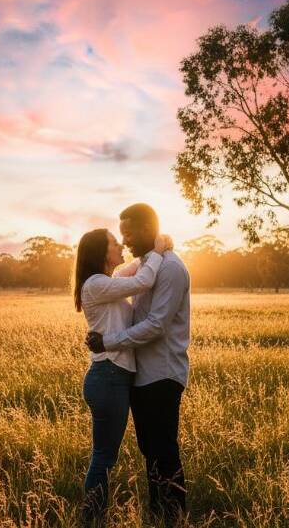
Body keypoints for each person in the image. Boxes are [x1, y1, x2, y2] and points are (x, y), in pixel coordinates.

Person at [86, 203, 191, 525]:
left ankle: (173, 515)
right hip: (140, 375)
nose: (125, 240)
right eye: (120, 236)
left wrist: (109, 341)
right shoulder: (148, 265)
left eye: (129, 233)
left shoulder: (171, 268)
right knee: (150, 448)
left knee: (163, 448)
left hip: (162, 372)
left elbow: (157, 324)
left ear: (149, 229)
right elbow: (125, 278)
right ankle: (159, 512)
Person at [74, 227, 173, 526]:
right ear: (101, 253)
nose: (121, 246)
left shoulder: (108, 281)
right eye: (115, 243)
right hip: (108, 376)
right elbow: (144, 279)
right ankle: (91, 518)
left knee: (105, 455)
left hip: (113, 377)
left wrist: (151, 253)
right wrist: (156, 251)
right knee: (104, 456)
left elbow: (136, 269)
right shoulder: (96, 284)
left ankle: (93, 516)